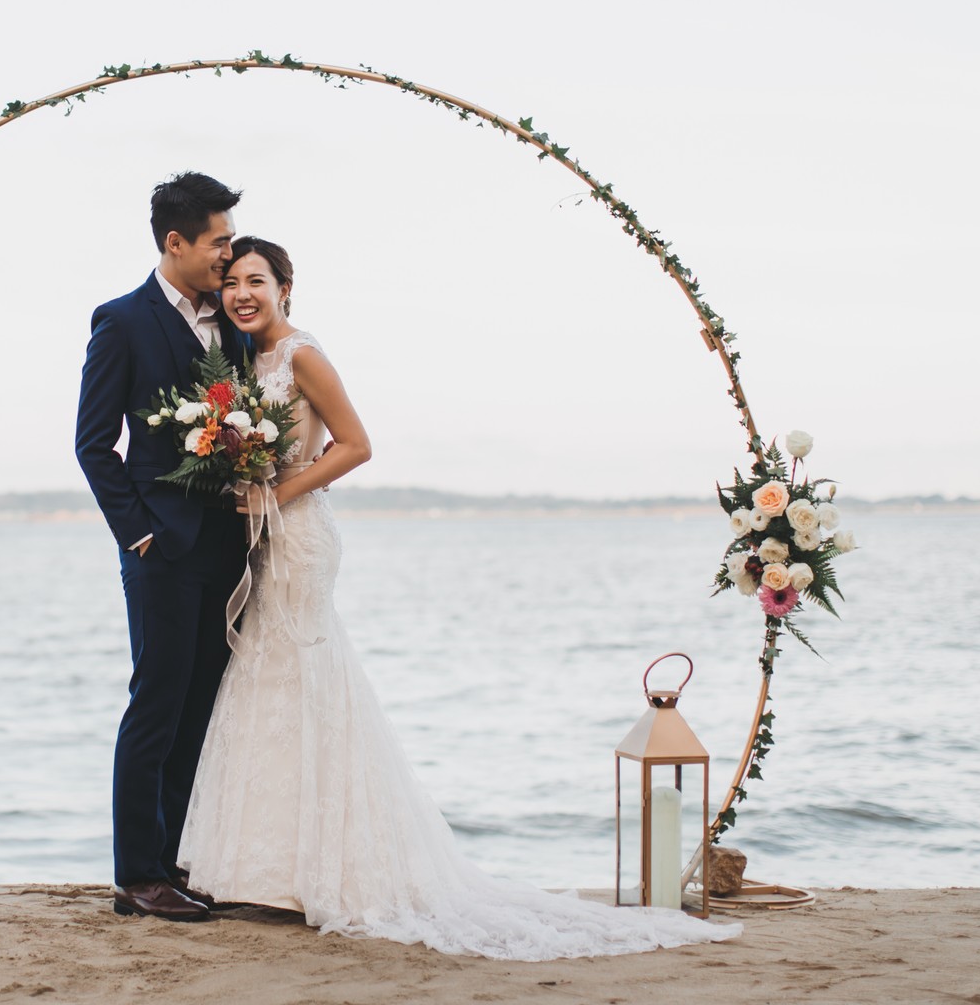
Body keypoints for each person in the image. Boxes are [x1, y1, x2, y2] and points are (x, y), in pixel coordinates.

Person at [176, 237, 742, 959]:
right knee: (266, 683)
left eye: (257, 280)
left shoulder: (303, 356)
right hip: (263, 538)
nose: (241, 293)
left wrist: (274, 493)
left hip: (300, 539)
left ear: (287, 287)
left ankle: (320, 871)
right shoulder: (239, 365)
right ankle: (265, 869)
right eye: (232, 283)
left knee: (303, 679)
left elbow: (354, 445)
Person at [74, 172, 253, 923]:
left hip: (231, 548)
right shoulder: (122, 321)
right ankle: (135, 876)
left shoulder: (238, 322)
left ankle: (175, 864)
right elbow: (93, 444)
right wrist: (139, 532)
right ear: (175, 242)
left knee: (201, 709)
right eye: (218, 241)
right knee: (155, 707)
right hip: (162, 550)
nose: (228, 254)